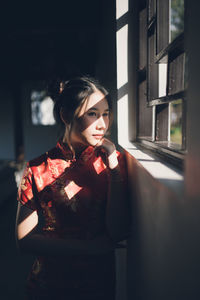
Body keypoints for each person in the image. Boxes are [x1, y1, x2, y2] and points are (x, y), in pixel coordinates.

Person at [16, 76, 130, 300]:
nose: (103, 124)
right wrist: (89, 248)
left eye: (106, 114)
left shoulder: (113, 162)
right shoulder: (37, 169)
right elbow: (24, 241)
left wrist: (114, 169)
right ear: (66, 115)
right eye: (92, 114)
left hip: (98, 285)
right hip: (48, 285)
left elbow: (117, 231)